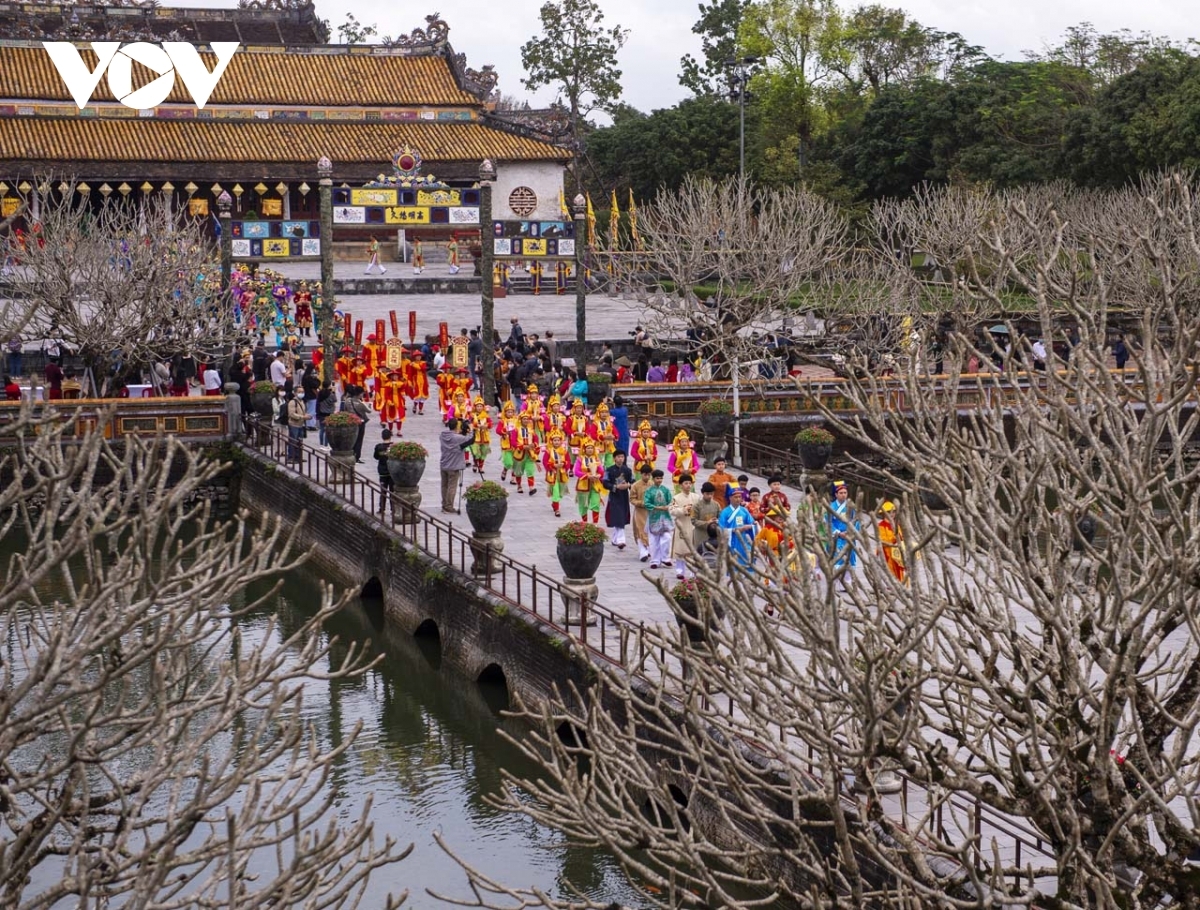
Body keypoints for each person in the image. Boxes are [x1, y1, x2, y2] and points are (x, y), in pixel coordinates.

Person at [439, 417, 474, 513]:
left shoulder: (443, 435)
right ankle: (449, 506)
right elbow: (470, 440)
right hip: (454, 466)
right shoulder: (458, 438)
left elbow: (456, 437)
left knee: (444, 485)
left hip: (444, 463)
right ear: (456, 426)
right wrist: (470, 428)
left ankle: (444, 504)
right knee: (452, 486)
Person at [670, 473, 701, 578]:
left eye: (690, 483)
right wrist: (683, 510)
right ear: (680, 485)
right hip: (682, 525)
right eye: (686, 483)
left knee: (693, 548)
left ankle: (693, 571)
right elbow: (672, 510)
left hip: (692, 526)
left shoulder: (696, 497)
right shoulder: (676, 498)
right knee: (680, 547)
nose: (688, 485)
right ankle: (680, 570)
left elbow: (699, 509)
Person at [602, 450, 635, 548]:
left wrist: (628, 485)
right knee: (618, 516)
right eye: (619, 457)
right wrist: (615, 487)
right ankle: (621, 540)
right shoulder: (609, 470)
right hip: (614, 496)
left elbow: (633, 481)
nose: (621, 459)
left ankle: (615, 538)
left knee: (621, 516)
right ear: (614, 458)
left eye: (622, 457)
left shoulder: (627, 470)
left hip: (624, 496)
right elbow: (605, 482)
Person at [719, 487, 756, 572]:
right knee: (733, 564)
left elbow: (752, 523)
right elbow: (721, 529)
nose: (738, 499)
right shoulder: (725, 512)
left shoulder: (744, 511)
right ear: (730, 498)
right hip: (732, 541)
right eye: (736, 497)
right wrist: (734, 530)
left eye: (740, 497)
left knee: (747, 560)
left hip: (744, 540)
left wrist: (750, 527)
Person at [643, 469, 674, 569]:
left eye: (661, 478)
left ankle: (665, 558)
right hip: (654, 518)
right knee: (653, 540)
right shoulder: (649, 491)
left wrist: (668, 506)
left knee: (667, 538)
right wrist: (657, 507)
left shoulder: (665, 490)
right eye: (657, 478)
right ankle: (655, 560)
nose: (659, 480)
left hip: (665, 517)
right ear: (653, 478)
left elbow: (671, 501)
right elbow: (646, 503)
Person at [827, 480, 859, 572]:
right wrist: (838, 533)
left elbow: (856, 520)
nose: (843, 495)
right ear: (836, 494)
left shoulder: (851, 506)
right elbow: (828, 523)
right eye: (841, 493)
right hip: (837, 539)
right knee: (836, 564)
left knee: (849, 565)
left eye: (845, 492)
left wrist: (852, 532)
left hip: (849, 538)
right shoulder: (831, 507)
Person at [573, 439, 606, 523]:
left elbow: (601, 471)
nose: (590, 450)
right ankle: (585, 523)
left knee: (596, 503)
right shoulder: (580, 459)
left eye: (591, 448)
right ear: (584, 449)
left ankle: (595, 524)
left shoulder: (596, 459)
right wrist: (587, 475)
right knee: (583, 506)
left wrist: (599, 475)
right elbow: (576, 471)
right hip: (583, 485)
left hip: (595, 484)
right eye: (588, 448)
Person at [542, 428, 572, 517]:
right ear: (551, 441)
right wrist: (552, 466)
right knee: (555, 490)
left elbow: (568, 461)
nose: (557, 442)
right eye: (555, 440)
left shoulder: (564, 451)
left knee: (560, 491)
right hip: (553, 473)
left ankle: (554, 503)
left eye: (558, 440)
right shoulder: (548, 451)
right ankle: (557, 509)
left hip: (562, 473)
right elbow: (545, 462)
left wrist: (564, 464)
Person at [878, 500, 906, 583]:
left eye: (893, 512)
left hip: (897, 551)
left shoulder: (896, 524)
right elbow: (883, 539)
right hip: (887, 551)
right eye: (889, 512)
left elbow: (901, 536)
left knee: (899, 568)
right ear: (884, 513)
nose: (892, 514)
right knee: (890, 569)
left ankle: (900, 583)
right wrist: (894, 541)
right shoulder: (881, 525)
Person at [630, 464, 654, 561]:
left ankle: (648, 549)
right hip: (640, 512)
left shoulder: (652, 484)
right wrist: (641, 503)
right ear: (641, 474)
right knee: (640, 531)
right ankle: (642, 552)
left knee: (650, 531)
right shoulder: (635, 485)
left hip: (650, 512)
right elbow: (632, 499)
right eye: (645, 475)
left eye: (649, 475)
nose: (647, 477)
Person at [373, 428, 395, 518]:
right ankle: (393, 509)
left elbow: (375, 457)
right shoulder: (394, 447)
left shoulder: (378, 447)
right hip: (392, 472)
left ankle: (381, 508)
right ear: (390, 436)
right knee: (392, 491)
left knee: (383, 491)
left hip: (382, 471)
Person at [283, 382, 306, 463]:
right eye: (299, 392)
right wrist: (303, 417)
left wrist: (305, 416)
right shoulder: (293, 402)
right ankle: (291, 457)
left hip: (300, 424)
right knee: (293, 441)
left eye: (302, 392)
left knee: (300, 441)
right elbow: (292, 414)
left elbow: (302, 412)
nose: (301, 393)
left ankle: (298, 457)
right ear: (295, 393)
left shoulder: (302, 401)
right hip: (294, 424)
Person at [316, 380, 337, 447]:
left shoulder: (320, 393)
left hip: (321, 412)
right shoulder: (331, 394)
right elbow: (335, 400)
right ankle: (326, 444)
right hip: (329, 413)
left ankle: (321, 444)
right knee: (328, 430)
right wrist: (333, 392)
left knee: (322, 429)